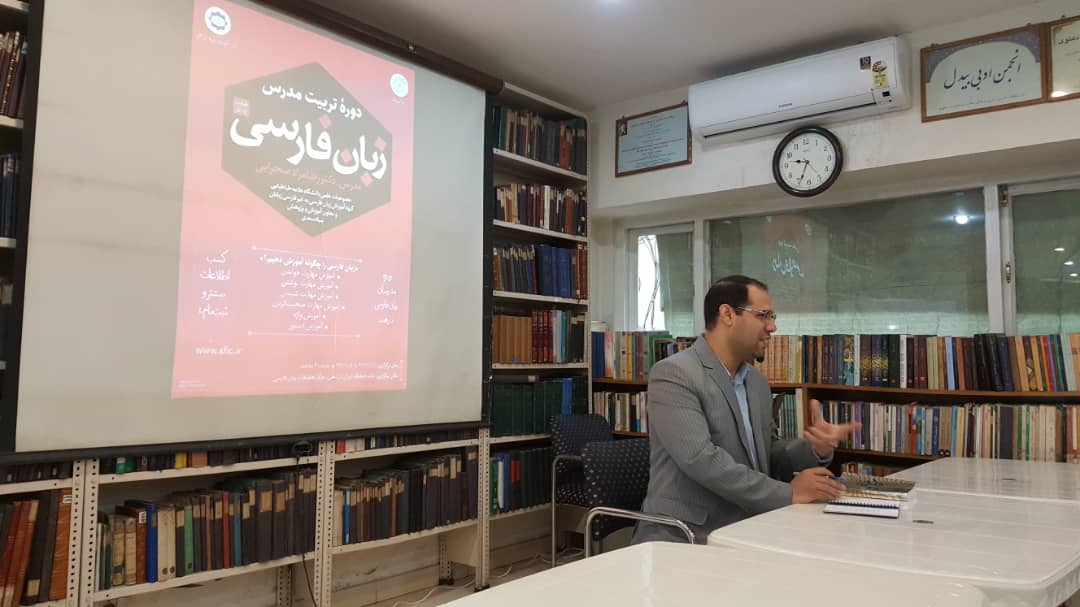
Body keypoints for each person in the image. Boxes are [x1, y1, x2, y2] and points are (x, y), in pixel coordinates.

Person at [631, 275, 860, 544]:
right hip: (684, 536)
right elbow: (701, 460)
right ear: (727, 314)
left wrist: (814, 449)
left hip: (748, 526)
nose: (772, 326)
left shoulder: (756, 382)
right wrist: (789, 493)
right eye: (763, 315)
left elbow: (768, 454)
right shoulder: (674, 374)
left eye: (772, 317)